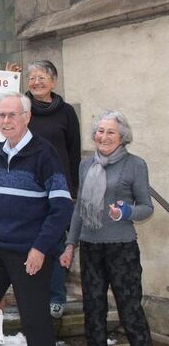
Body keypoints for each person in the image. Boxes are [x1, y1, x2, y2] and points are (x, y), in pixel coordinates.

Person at [0, 93, 73, 346]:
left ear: (27, 117)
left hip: (30, 252)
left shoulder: (45, 154)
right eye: (1, 115)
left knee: (35, 321)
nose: (6, 120)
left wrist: (40, 248)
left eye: (12, 114)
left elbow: (62, 207)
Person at [60, 111, 154, 346]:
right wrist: (70, 245)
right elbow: (80, 207)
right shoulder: (85, 164)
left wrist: (126, 212)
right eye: (100, 131)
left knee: (130, 311)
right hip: (91, 249)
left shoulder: (135, 165)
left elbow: (147, 207)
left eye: (110, 132)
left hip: (122, 249)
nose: (104, 136)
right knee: (93, 312)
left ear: (122, 136)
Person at [9, 59, 81, 319]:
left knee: (54, 243)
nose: (36, 82)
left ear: (54, 80)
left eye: (42, 77)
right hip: (25, 187)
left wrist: (72, 189)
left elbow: (73, 153)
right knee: (23, 242)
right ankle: (28, 297)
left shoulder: (67, 113)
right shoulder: (22, 108)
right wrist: (8, 82)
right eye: (32, 78)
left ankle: (56, 297)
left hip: (57, 188)